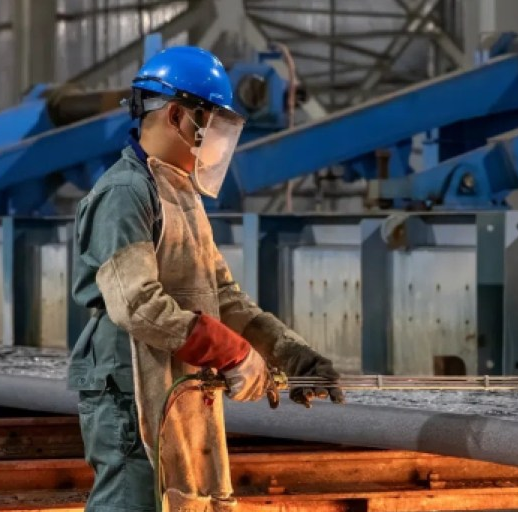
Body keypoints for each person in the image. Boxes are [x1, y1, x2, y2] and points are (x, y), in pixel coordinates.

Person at [67, 46, 344, 512]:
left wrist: (289, 353)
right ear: (177, 116)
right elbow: (138, 304)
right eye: (211, 121)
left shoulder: (180, 193)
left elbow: (224, 297)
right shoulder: (125, 193)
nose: (216, 138)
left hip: (177, 384)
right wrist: (233, 354)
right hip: (131, 392)